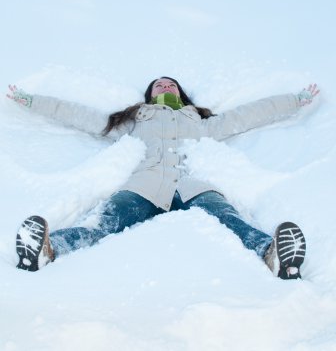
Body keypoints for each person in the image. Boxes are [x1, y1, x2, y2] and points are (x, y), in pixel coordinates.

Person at [7, 77, 320, 279]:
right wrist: (33, 101)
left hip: (192, 186)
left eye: (171, 85)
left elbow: (251, 113)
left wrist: (296, 100)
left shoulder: (200, 120)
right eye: (159, 85)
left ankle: (273, 254)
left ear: (181, 94)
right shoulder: (134, 120)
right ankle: (49, 250)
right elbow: (81, 115)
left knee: (230, 220)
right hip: (144, 186)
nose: (165, 87)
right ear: (149, 95)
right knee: (103, 223)